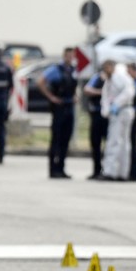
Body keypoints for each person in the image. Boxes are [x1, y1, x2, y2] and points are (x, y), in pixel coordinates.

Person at [38, 47, 78, 179]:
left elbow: (75, 86)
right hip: (59, 107)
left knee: (65, 139)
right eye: (67, 56)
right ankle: (52, 169)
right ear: (63, 56)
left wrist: (75, 96)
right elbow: (41, 81)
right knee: (56, 139)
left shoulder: (73, 71)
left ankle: (61, 167)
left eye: (71, 56)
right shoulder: (56, 69)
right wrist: (51, 97)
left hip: (69, 106)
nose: (69, 58)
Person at [99, 61, 136, 181]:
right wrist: (106, 110)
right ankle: (119, 172)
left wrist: (116, 104)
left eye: (107, 68)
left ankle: (112, 172)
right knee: (120, 142)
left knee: (116, 142)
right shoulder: (109, 80)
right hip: (116, 112)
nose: (106, 71)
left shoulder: (122, 77)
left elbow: (129, 93)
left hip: (123, 111)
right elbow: (105, 97)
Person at [82, 60, 114, 180]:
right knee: (95, 143)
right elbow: (87, 89)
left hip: (110, 116)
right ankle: (96, 170)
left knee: (109, 144)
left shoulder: (116, 79)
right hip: (97, 113)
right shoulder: (98, 78)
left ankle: (107, 170)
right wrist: (102, 92)